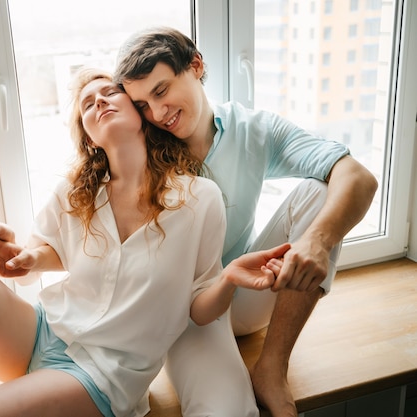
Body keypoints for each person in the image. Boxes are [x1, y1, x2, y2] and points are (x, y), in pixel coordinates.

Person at [0, 68, 290, 417]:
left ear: (141, 113)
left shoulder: (199, 199)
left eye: (109, 93)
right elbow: (46, 252)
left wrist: (229, 279)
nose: (100, 101)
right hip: (41, 330)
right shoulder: (77, 192)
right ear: (89, 135)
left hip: (102, 374)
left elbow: (200, 309)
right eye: (88, 104)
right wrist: (20, 258)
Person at [113, 26, 379, 417]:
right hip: (184, 316)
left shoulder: (254, 130)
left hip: (244, 295)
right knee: (226, 411)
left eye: (161, 91)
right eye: (142, 106)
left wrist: (317, 241)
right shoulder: (145, 149)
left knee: (321, 192)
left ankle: (272, 367)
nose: (156, 114)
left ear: (196, 66)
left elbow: (359, 178)